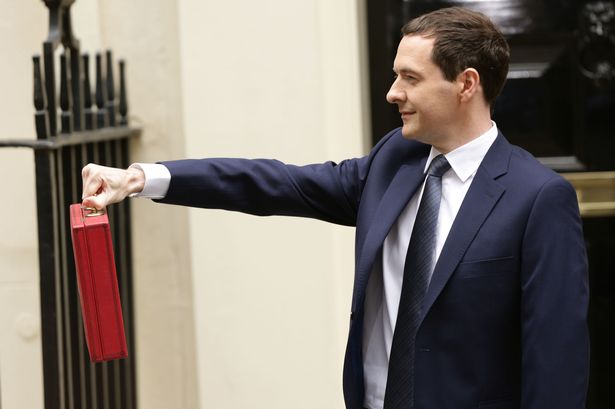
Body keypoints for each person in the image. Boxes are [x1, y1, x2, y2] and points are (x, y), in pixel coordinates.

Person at [81, 6, 589, 409]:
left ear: (466, 83)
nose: (393, 93)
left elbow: (556, 358)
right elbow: (277, 183)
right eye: (396, 76)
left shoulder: (537, 197)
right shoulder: (394, 160)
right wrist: (142, 178)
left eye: (410, 78)